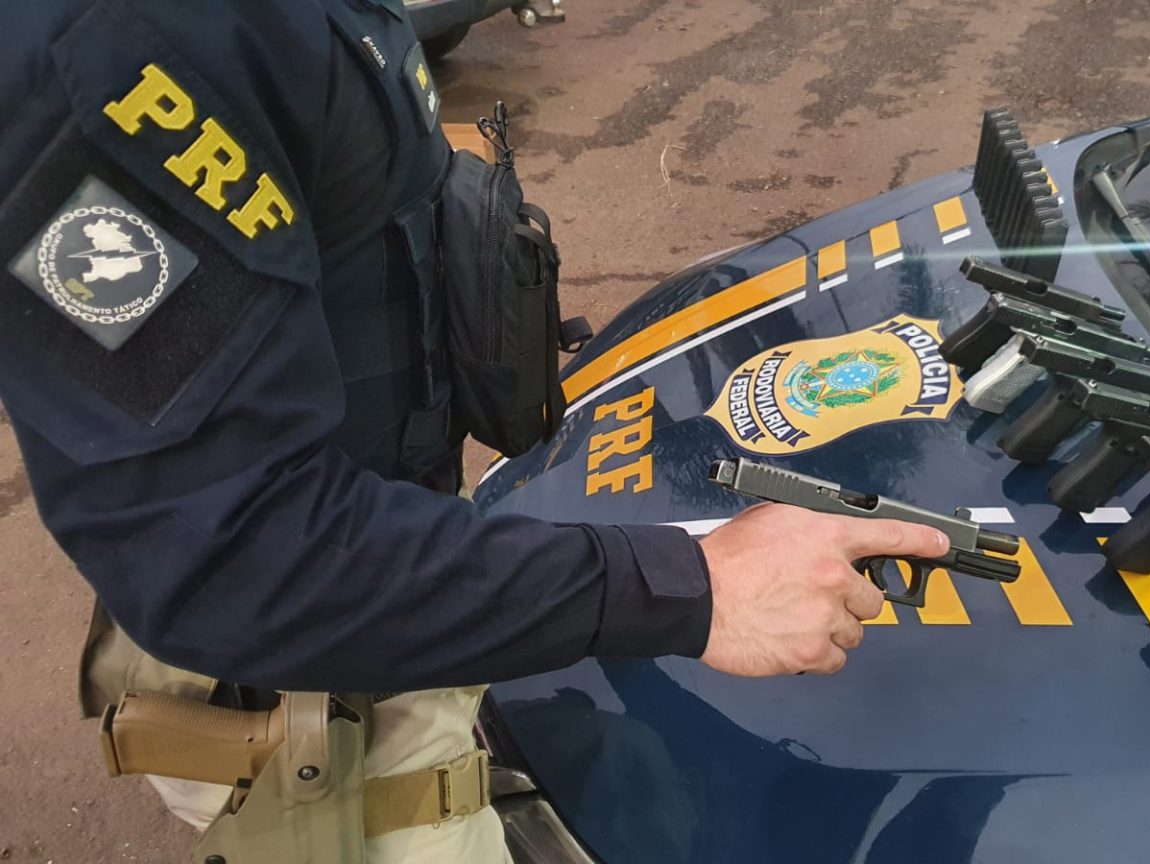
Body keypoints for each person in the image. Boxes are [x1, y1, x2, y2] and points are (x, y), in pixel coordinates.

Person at [0, 1, 948, 861]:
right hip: (316, 702)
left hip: (393, 573)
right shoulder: (123, 49)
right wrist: (695, 588)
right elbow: (230, 549)